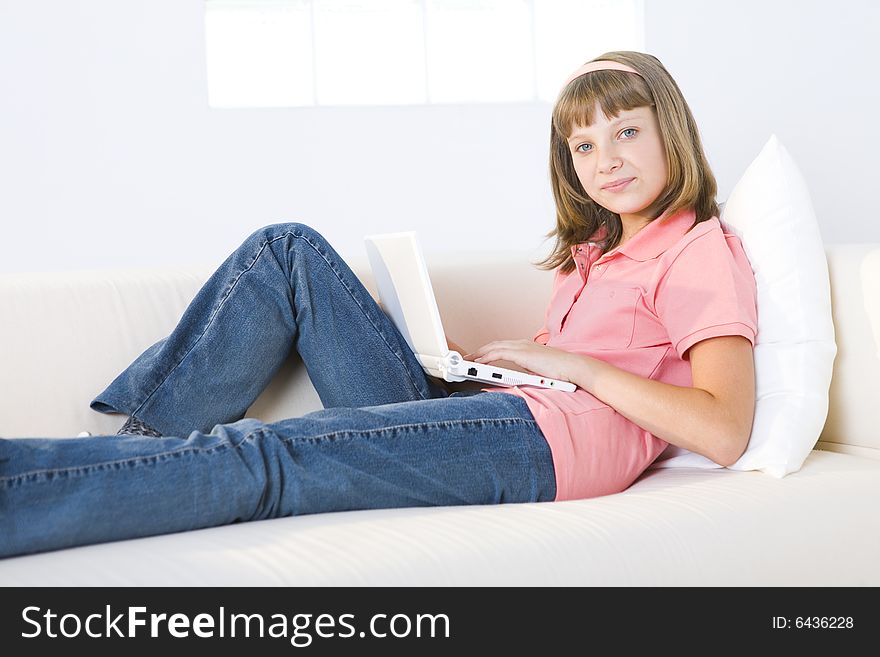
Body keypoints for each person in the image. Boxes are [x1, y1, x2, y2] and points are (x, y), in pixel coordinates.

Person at [0, 51, 757, 559]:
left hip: (541, 448)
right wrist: (462, 365)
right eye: (583, 146)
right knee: (286, 251)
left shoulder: (697, 248)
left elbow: (722, 429)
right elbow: (569, 373)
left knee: (269, 452)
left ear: (672, 134)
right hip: (501, 418)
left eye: (626, 132)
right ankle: (140, 442)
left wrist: (572, 364)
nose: (606, 159)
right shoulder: (596, 253)